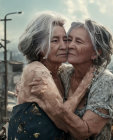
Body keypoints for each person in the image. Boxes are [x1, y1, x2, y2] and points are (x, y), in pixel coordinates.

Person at [26, 20, 113, 140]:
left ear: (95, 53)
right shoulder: (64, 73)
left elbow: (84, 133)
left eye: (78, 41)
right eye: (69, 39)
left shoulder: (104, 80)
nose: (69, 45)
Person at [8, 12, 93, 140]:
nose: (64, 46)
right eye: (55, 40)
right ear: (39, 47)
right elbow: (65, 122)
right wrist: (83, 86)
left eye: (65, 39)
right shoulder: (37, 71)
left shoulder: (60, 72)